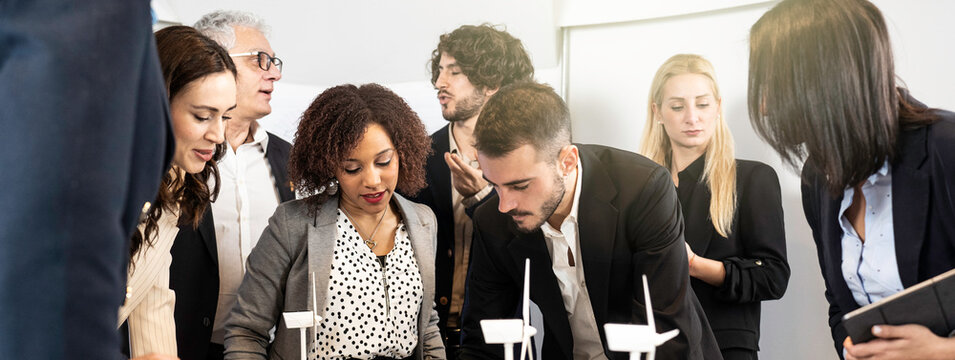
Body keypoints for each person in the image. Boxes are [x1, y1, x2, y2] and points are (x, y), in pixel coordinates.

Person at [748, 0, 955, 359]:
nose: (765, 105)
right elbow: (840, 305)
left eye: (772, 82)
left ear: (824, 77)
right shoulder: (817, 175)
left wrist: (944, 351)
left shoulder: (946, 148)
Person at [460, 81, 721, 359]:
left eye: (520, 186)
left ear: (567, 161)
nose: (505, 205)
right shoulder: (493, 220)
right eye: (495, 185)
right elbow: (482, 340)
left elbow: (665, 325)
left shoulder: (643, 189)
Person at [224, 84, 445, 359]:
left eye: (384, 162)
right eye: (352, 168)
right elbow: (246, 332)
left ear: (403, 154)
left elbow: (426, 325)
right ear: (329, 166)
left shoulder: (423, 222)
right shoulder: (292, 226)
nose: (372, 181)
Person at [639, 54, 790, 359]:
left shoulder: (753, 179)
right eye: (678, 106)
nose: (692, 117)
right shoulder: (639, 188)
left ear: (718, 107)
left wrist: (696, 265)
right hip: (652, 345)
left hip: (725, 348)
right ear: (658, 112)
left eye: (703, 104)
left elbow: (774, 277)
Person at [170, 10, 295, 360]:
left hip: (266, 349)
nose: (275, 73)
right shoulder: (179, 157)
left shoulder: (291, 160)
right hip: (179, 348)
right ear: (211, 61)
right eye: (261, 60)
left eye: (275, 62)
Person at [409, 24, 535, 358]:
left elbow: (534, 252)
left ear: (492, 83)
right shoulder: (416, 155)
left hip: (500, 342)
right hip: (424, 342)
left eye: (455, 72)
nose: (439, 83)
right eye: (439, 71)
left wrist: (484, 199)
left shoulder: (529, 158)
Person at [118, 25, 236, 360]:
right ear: (156, 103)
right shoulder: (99, 180)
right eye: (202, 116)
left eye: (226, 117)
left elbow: (152, 303)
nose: (218, 135)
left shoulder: (177, 183)